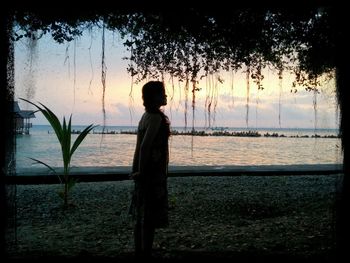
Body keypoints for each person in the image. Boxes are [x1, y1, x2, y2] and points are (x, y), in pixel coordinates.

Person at [129, 80, 171, 258]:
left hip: (145, 171)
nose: (166, 96)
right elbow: (145, 146)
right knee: (150, 216)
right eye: (162, 93)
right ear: (154, 97)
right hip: (152, 173)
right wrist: (142, 171)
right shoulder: (154, 118)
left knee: (142, 214)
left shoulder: (145, 116)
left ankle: (140, 250)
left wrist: (135, 168)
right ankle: (146, 252)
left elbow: (138, 146)